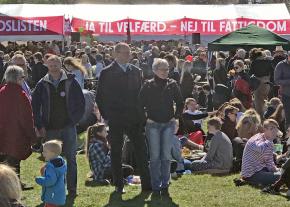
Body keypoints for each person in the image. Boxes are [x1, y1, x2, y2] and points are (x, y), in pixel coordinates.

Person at [96, 42, 151, 194]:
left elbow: (141, 95)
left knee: (141, 150)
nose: (128, 55)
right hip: (116, 118)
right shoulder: (107, 72)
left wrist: (142, 114)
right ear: (116, 54)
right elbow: (100, 97)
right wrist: (107, 116)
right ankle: (118, 184)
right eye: (125, 52)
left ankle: (147, 184)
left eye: (129, 52)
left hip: (135, 118)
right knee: (116, 152)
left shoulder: (136, 70)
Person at [32, 55, 85, 198]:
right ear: (47, 66)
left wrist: (74, 120)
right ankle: (53, 188)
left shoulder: (71, 81)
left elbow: (81, 103)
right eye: (51, 64)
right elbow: (35, 106)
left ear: (61, 64)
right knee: (50, 161)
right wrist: (39, 124)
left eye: (56, 63)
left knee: (71, 158)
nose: (54, 66)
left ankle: (72, 190)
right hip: (50, 129)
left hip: (68, 126)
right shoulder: (41, 84)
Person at [139, 58, 183, 197]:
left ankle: (165, 184)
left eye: (167, 69)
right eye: (162, 69)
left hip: (168, 124)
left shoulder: (173, 84)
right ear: (155, 70)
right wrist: (146, 118)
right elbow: (139, 104)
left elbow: (180, 102)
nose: (165, 72)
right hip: (152, 125)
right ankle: (155, 185)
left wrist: (175, 117)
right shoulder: (148, 85)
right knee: (154, 157)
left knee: (165, 156)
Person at [0, 66, 36, 190]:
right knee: (14, 161)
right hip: (16, 134)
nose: (23, 79)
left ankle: (9, 186)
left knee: (4, 162)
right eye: (22, 77)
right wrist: (32, 135)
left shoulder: (2, 91)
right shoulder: (21, 95)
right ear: (17, 78)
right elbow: (27, 118)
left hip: (3, 134)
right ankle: (14, 187)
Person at [241, 119, 282, 186]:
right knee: (283, 176)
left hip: (259, 169)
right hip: (252, 174)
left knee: (283, 174)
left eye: (276, 128)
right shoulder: (260, 139)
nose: (275, 131)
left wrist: (278, 170)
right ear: (265, 129)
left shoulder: (265, 138)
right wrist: (270, 139)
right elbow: (260, 148)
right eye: (271, 128)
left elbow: (269, 162)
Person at [35, 140, 67, 207]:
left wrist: (39, 179)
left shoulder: (51, 166)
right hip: (58, 194)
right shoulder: (60, 162)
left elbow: (50, 181)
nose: (43, 153)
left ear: (52, 153)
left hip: (52, 195)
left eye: (45, 152)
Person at [249, 48, 273, 118]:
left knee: (258, 102)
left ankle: (261, 118)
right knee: (267, 100)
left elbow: (250, 73)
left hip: (257, 84)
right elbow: (272, 72)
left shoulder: (254, 62)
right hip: (267, 83)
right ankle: (267, 116)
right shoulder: (268, 62)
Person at [274, 51, 290, 129]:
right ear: (288, 57)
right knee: (288, 116)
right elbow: (276, 80)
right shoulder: (280, 65)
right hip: (287, 94)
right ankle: (288, 136)